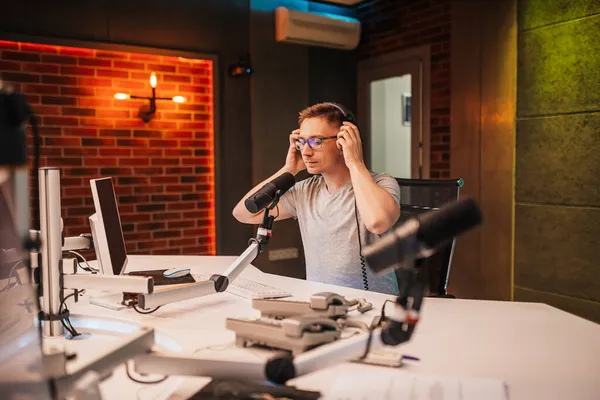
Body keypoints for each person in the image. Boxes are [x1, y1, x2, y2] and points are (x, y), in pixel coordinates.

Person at [233, 102, 401, 295]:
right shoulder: (304, 191)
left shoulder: (381, 183)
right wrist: (289, 169)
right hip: (322, 306)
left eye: (316, 141)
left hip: (375, 308)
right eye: (302, 142)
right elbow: (243, 213)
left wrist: (355, 161)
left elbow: (378, 222)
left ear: (343, 141)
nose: (306, 151)